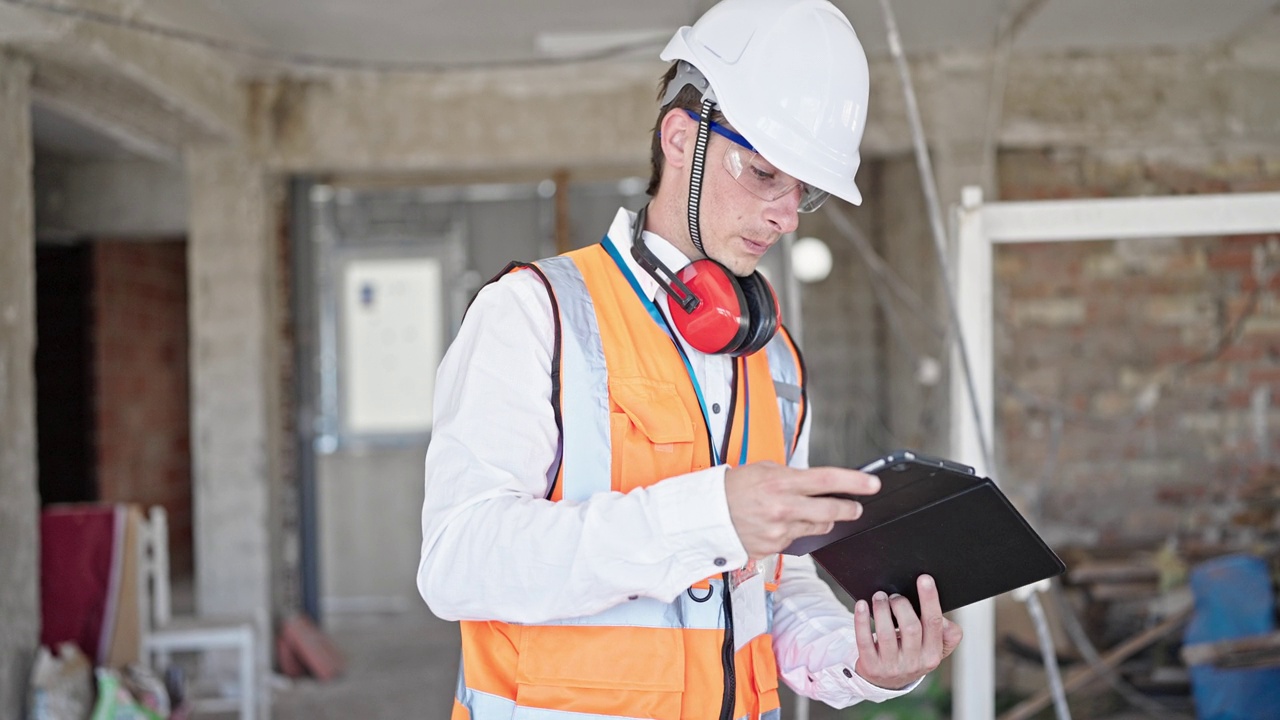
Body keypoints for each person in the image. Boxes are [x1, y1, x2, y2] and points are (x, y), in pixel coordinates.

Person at [417, 0, 962, 717]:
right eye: (765, 172)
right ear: (682, 139)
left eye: (806, 190)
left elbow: (773, 584)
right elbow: (459, 562)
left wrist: (859, 661)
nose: (787, 215)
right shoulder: (534, 313)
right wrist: (705, 517)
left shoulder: (776, 360)